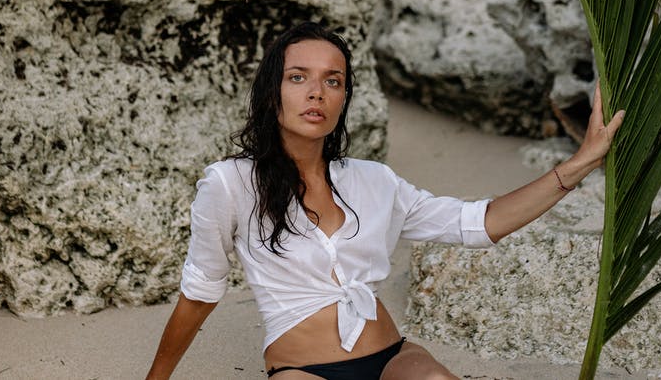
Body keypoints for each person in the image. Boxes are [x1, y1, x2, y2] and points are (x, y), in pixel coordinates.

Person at [146, 22, 625, 380]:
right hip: (303, 370)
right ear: (272, 92)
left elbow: (476, 223)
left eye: (333, 81)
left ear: (344, 98)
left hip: (392, 359)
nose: (316, 91)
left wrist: (581, 162)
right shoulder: (230, 183)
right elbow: (201, 290)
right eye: (298, 77)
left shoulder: (374, 181)